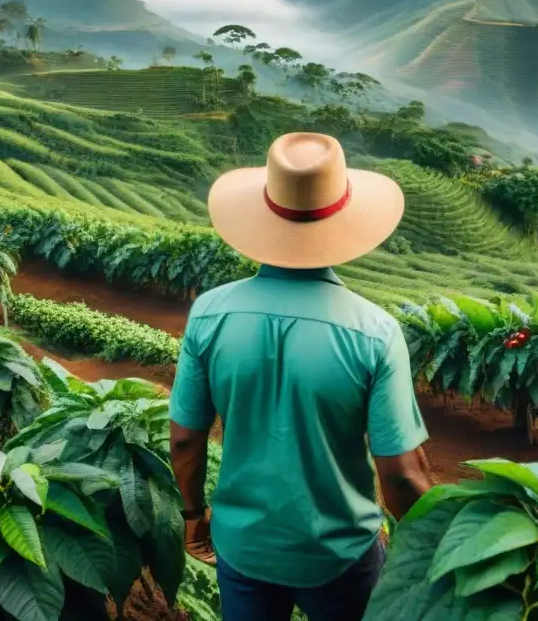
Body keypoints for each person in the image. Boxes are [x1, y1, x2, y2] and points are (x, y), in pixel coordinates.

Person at [169, 132, 434, 621]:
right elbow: (401, 473)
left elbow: (186, 440)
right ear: (343, 219)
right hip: (339, 553)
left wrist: (192, 518)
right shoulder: (375, 333)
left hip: (243, 544)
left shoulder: (209, 314)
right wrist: (438, 548)